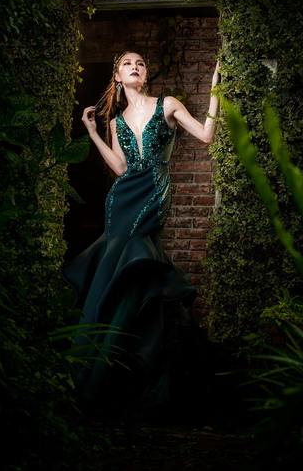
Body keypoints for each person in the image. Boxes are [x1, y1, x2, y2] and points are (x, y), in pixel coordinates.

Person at [63, 49, 221, 420]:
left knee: (133, 261)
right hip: (122, 200)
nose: (135, 67)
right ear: (118, 76)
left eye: (141, 63)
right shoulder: (116, 121)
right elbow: (120, 168)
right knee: (124, 272)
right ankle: (103, 372)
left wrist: (216, 91)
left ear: (145, 74)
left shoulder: (168, 104)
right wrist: (93, 133)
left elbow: (205, 136)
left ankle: (105, 376)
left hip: (153, 193)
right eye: (127, 64)